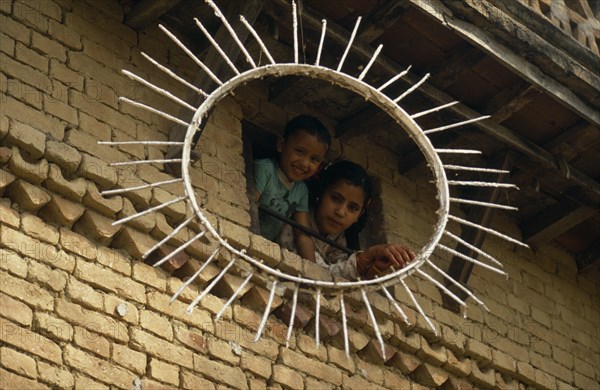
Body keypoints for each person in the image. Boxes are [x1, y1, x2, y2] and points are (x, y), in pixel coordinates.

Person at [278, 160, 415, 279]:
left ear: (359, 215)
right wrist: (363, 259)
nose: (341, 212)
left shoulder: (341, 242)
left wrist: (372, 269)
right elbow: (318, 275)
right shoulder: (293, 220)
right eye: (336, 199)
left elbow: (340, 280)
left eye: (353, 208)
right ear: (322, 192)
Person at [254, 115, 330, 262]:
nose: (304, 163)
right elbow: (248, 206)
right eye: (300, 152)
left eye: (314, 159)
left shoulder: (301, 191)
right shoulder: (264, 169)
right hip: (247, 240)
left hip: (264, 253)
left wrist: (312, 272)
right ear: (281, 145)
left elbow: (302, 234)